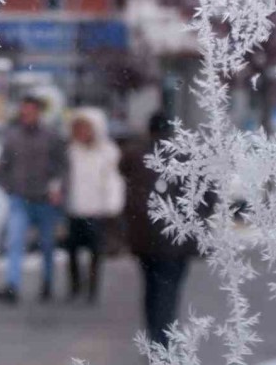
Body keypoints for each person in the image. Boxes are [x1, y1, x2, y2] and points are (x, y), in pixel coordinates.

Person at [120, 112, 200, 347]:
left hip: (144, 235)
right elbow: (207, 196)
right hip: (177, 237)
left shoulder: (135, 154)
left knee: (151, 286)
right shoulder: (187, 157)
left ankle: (155, 331)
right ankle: (163, 337)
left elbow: (123, 173)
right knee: (170, 287)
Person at [0, 95, 68, 304]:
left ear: (38, 113)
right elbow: (3, 166)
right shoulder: (13, 137)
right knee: (15, 242)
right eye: (24, 112)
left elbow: (63, 166)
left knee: (46, 245)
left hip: (45, 200)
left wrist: (58, 188)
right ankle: (12, 286)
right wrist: (9, 188)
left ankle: (47, 283)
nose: (27, 115)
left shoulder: (51, 137)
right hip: (20, 198)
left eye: (31, 111)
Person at [63, 107, 124, 303]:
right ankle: (75, 287)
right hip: (74, 209)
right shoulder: (71, 151)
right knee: (71, 251)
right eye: (78, 128)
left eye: (85, 128)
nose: (82, 132)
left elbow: (113, 180)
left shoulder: (108, 151)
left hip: (97, 210)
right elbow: (64, 177)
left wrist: (112, 206)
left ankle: (92, 290)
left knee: (95, 253)